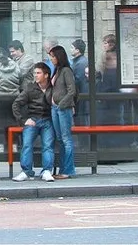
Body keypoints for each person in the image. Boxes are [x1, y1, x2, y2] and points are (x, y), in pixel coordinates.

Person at [12, 62, 55, 182]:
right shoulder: (30, 88)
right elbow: (16, 104)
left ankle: (47, 171)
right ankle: (26, 171)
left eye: (38, 73)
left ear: (46, 75)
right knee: (26, 145)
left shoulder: (53, 87)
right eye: (34, 73)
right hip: (33, 119)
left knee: (48, 146)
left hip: (48, 120)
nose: (35, 75)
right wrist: (23, 120)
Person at [48, 45, 77, 179]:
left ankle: (68, 170)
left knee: (66, 139)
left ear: (59, 57)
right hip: (55, 108)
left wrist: (61, 104)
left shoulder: (66, 71)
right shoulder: (57, 70)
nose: (52, 59)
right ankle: (63, 169)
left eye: (53, 56)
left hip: (62, 109)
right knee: (60, 139)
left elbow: (72, 91)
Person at [70, 40, 90, 126]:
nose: (70, 49)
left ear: (77, 50)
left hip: (81, 97)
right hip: (80, 97)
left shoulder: (80, 63)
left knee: (81, 123)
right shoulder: (78, 61)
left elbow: (77, 81)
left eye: (72, 48)